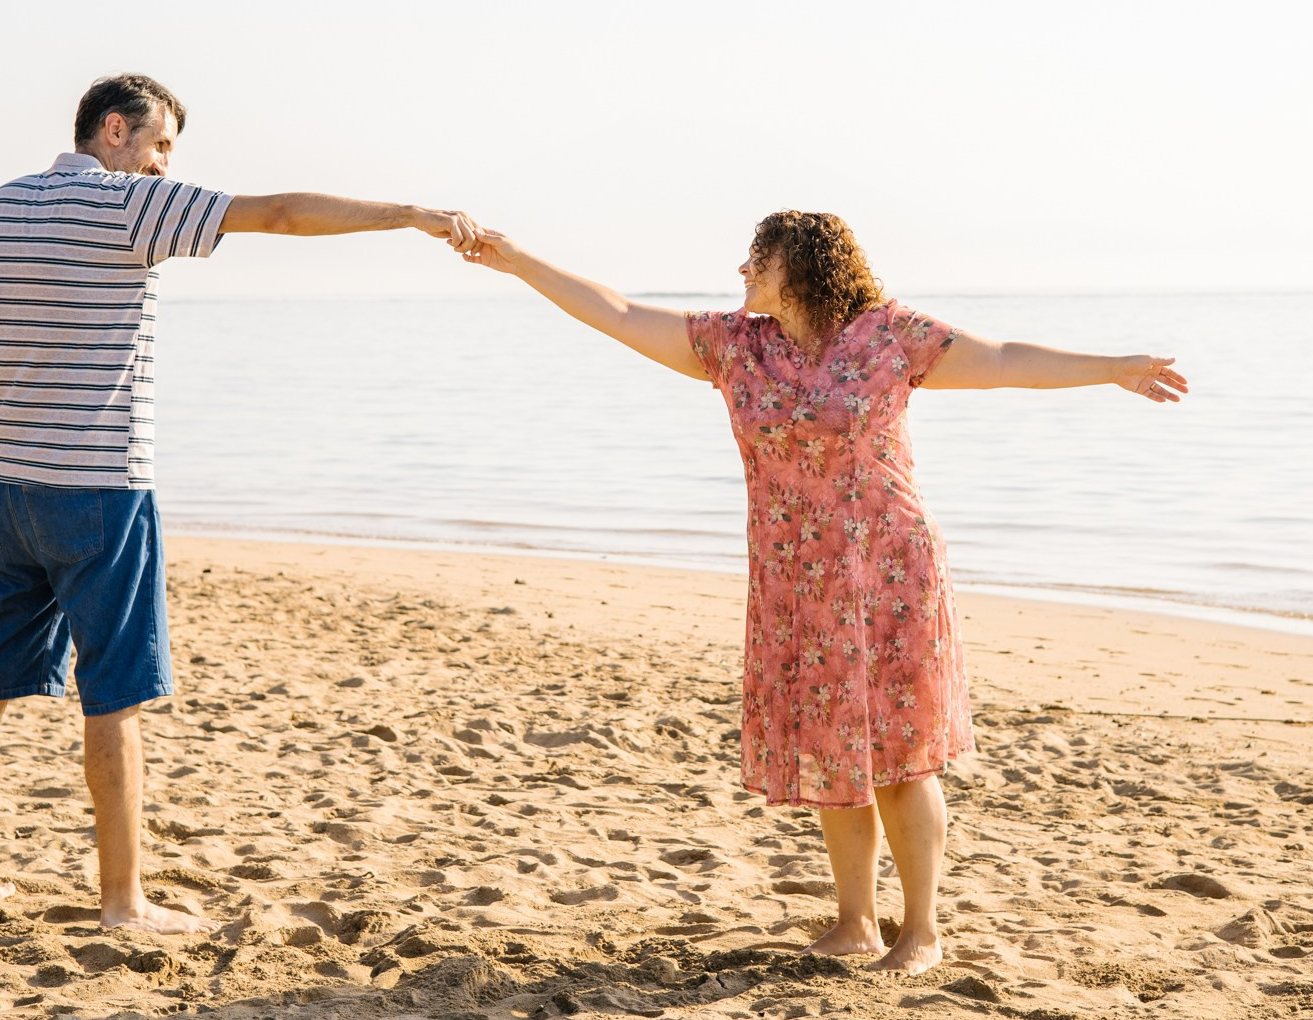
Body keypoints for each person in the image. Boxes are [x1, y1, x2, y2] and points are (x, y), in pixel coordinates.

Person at [461, 210, 1185, 974]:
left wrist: (1112, 365)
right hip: (797, 584)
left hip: (890, 574)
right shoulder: (735, 346)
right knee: (834, 755)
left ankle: (924, 930)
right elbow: (617, 309)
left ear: (799, 265)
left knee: (903, 758)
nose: (742, 271)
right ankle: (855, 922)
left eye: (757, 258)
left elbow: (1002, 357)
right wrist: (518, 261)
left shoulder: (889, 335)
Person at [0, 73, 479, 934]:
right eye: (162, 143)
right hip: (100, 494)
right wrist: (411, 214)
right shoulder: (132, 206)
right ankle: (124, 902)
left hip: (7, 491)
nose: (168, 164)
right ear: (114, 130)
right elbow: (280, 214)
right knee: (115, 695)